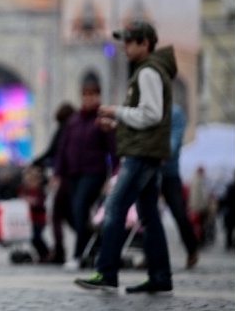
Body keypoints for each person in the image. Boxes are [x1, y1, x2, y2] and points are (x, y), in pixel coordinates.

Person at [75, 21, 177, 293]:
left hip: (141, 154)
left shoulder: (148, 72)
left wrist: (116, 111)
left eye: (130, 42)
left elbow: (151, 115)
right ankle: (161, 276)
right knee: (148, 215)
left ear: (145, 44)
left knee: (115, 207)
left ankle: (107, 272)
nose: (125, 47)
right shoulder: (149, 71)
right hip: (147, 150)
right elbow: (147, 117)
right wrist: (118, 125)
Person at [53, 78, 118, 270]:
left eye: (92, 95)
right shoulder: (74, 121)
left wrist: (114, 174)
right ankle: (92, 244)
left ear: (98, 96)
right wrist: (58, 173)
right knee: (74, 211)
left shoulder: (102, 119)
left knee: (81, 207)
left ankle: (78, 254)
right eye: (86, 95)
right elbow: (63, 148)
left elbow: (113, 149)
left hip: (94, 172)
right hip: (73, 173)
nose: (89, 99)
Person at [33, 103, 76, 264]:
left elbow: (53, 150)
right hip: (74, 176)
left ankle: (60, 251)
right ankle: (89, 243)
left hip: (64, 176)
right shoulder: (75, 127)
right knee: (70, 215)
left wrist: (36, 162)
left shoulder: (64, 128)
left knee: (58, 215)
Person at [159, 103, 199, 268]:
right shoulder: (146, 108)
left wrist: (159, 154)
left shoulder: (175, 113)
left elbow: (174, 141)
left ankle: (192, 248)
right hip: (148, 169)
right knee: (147, 215)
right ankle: (151, 255)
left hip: (168, 172)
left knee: (178, 213)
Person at [19, 166, 49, 262]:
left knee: (36, 237)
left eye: (32, 181)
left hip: (39, 219)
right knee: (32, 238)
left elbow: (41, 204)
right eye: (27, 181)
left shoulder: (39, 192)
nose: (29, 183)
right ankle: (41, 254)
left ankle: (45, 253)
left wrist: (32, 202)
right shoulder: (24, 191)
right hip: (29, 219)